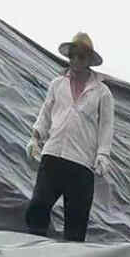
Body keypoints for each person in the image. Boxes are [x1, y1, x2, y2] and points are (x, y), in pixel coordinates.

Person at [25, 32, 114, 242]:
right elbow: (46, 113)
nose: (75, 61)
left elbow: (106, 126)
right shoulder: (57, 84)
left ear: (89, 60)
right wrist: (35, 137)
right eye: (72, 56)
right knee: (38, 207)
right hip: (53, 156)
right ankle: (33, 252)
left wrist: (103, 154)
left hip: (81, 163)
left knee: (76, 221)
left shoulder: (102, 93)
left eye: (81, 57)